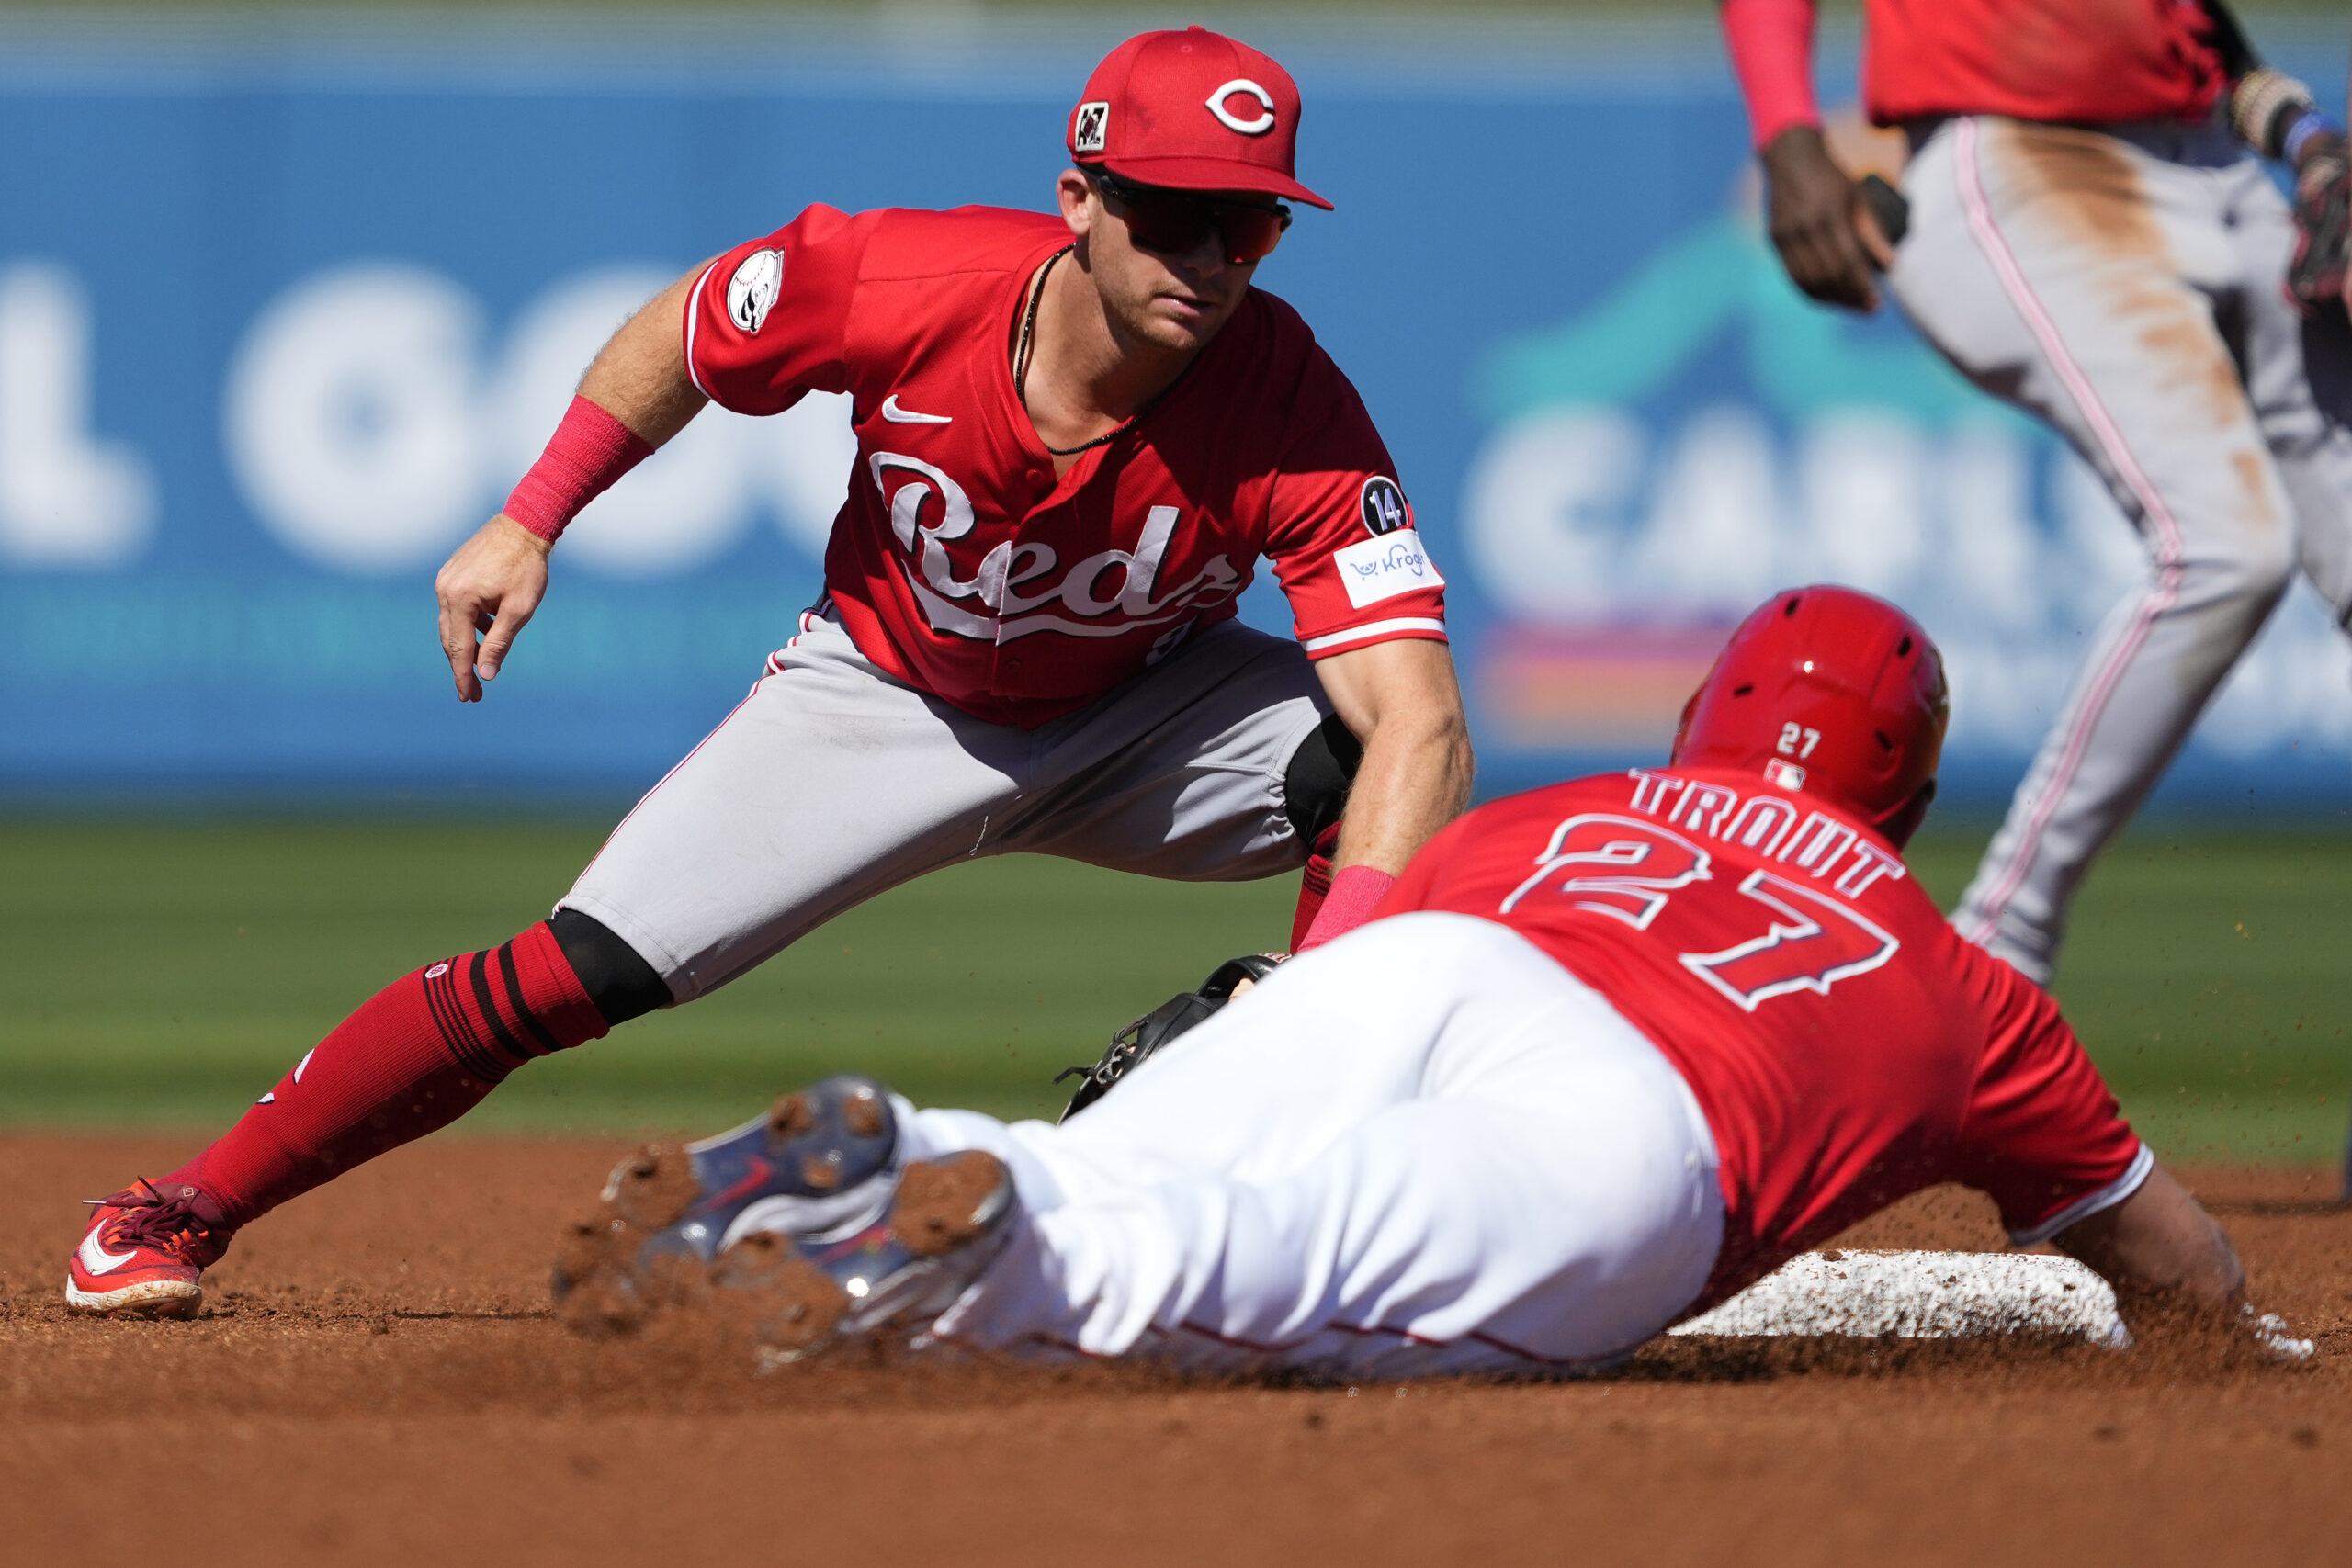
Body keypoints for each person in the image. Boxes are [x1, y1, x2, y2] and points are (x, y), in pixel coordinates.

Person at [65, 28, 1472, 1319]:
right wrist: (531, 513)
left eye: (1250, 221)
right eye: (1172, 213)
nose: (1211, 259)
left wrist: (1323, 1008)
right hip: (882, 690)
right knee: (577, 970)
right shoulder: (905, 281)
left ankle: (1319, 1191)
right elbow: (687, 331)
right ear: (1081, 199)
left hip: (1143, 710)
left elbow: (1421, 719)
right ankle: (180, 1205)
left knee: (1376, 776)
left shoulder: (1296, 404)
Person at [550, 586, 2297, 1377]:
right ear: (1902, 792)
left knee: (1136, 1161)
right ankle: (942, 1235)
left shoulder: (1565, 807)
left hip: (1438, 957)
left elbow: (1338, 961)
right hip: (1641, 1126)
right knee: (1251, 1271)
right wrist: (2240, 1350)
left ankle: (886, 1160)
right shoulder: (1959, 981)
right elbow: (2170, 1264)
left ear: (1702, 725)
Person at [1719, 0, 2352, 987]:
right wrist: (1786, 132)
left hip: (2219, 168)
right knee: (2228, 544)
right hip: (2018, 156)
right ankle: (1995, 950)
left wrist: (2306, 136)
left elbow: (2184, 29)